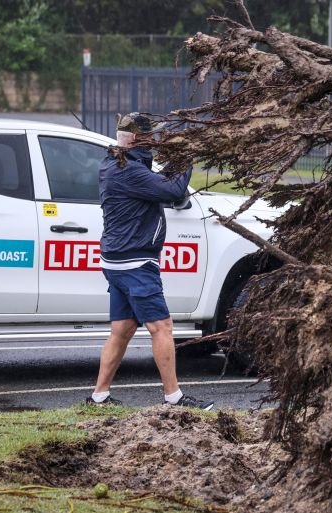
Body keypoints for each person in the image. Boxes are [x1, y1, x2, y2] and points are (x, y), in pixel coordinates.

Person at [86, 112, 213, 410]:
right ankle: (174, 397)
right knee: (163, 327)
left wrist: (175, 161)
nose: (156, 140)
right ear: (135, 140)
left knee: (122, 329)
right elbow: (173, 189)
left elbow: (156, 181)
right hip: (135, 263)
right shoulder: (128, 171)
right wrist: (187, 157)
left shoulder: (116, 164)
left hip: (116, 262)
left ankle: (99, 396)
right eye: (151, 136)